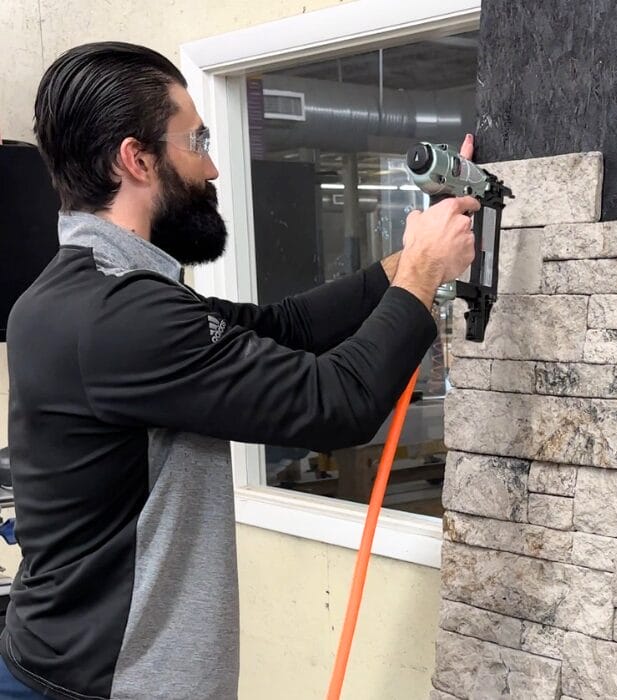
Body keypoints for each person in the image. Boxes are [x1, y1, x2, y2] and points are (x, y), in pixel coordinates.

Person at [1, 41, 479, 699]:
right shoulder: (120, 315)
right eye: (195, 142)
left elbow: (278, 329)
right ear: (136, 159)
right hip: (108, 683)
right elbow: (336, 403)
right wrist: (426, 275)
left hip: (57, 664)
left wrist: (400, 269)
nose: (215, 168)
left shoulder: (76, 293)